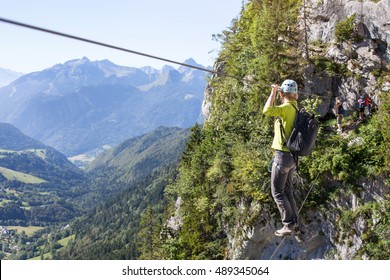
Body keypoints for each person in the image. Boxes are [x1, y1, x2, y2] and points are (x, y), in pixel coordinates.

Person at [263, 79, 300, 237]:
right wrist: (279, 93)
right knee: (287, 191)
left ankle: (288, 224)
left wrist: (272, 93)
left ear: (282, 93)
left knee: (277, 192)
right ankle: (295, 223)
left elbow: (266, 111)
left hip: (282, 156)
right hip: (292, 157)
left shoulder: (285, 108)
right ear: (296, 94)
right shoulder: (295, 107)